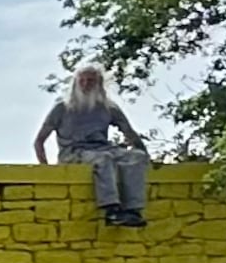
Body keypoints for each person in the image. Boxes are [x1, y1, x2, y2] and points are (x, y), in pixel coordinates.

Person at [34, 63, 146, 228]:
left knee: (136, 157)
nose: (86, 84)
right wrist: (45, 169)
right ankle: (111, 210)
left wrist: (144, 153)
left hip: (102, 148)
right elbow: (39, 141)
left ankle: (132, 210)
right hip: (74, 152)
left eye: (91, 81)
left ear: (99, 84)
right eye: (82, 81)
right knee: (103, 159)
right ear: (76, 83)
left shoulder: (108, 108)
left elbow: (129, 132)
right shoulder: (62, 107)